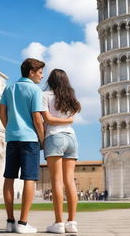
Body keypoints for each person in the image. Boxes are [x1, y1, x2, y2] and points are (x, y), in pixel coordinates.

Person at [0, 58, 45, 234]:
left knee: (9, 178)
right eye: (40, 73)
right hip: (30, 139)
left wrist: (10, 128)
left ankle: (10, 221)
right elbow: (36, 118)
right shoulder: (35, 90)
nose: (41, 77)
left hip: (12, 138)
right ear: (31, 72)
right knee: (30, 179)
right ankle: (23, 223)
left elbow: (1, 113)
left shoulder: (9, 88)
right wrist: (42, 138)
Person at [42, 69, 81, 234]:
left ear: (50, 81)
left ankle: (58, 223)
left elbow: (48, 119)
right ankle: (72, 222)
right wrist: (66, 120)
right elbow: (71, 119)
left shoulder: (45, 96)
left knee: (56, 181)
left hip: (54, 137)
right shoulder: (70, 98)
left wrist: (54, 120)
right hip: (71, 137)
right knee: (70, 181)